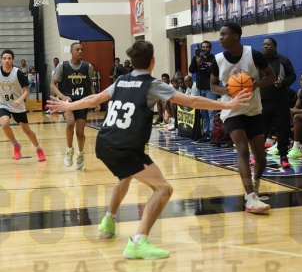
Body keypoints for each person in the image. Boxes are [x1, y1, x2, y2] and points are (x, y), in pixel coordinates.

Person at [46, 40, 251, 259]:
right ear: (153, 61)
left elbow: (94, 99)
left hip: (104, 143)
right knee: (164, 190)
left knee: (125, 177)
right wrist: (226, 104)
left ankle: (108, 220)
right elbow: (191, 101)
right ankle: (138, 242)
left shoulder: (121, 80)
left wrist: (68, 105)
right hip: (125, 147)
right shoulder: (152, 85)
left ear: (132, 62)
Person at [210, 23, 276, 213]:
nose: (220, 37)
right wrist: (226, 90)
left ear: (236, 36)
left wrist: (255, 84)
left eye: (224, 34)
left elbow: (271, 77)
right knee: (242, 150)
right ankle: (251, 197)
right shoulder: (218, 59)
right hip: (231, 111)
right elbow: (213, 85)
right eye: (220, 34)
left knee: (261, 158)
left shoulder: (253, 54)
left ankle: (255, 184)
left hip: (253, 110)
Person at [50, 42, 98, 170]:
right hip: (68, 102)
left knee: (80, 132)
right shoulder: (63, 66)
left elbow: (91, 85)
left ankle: (81, 153)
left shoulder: (88, 67)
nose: (80, 51)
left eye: (81, 49)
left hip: (82, 101)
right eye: (77, 49)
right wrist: (62, 97)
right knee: (70, 123)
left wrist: (95, 100)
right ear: (71, 51)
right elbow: (52, 84)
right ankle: (69, 149)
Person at [0, 49, 46, 161]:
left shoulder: (18, 73)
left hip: (17, 105)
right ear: (1, 60)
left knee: (26, 130)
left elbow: (26, 91)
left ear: (13, 60)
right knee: (4, 124)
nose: (7, 60)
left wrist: (19, 100)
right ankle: (15, 145)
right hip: (3, 104)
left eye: (9, 58)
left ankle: (39, 149)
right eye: (4, 58)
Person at [260, 38, 296, 168]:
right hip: (263, 101)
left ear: (275, 46)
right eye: (264, 44)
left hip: (281, 102)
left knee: (282, 130)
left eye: (268, 44)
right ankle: (259, 156)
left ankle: (283, 157)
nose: (265, 46)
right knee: (261, 130)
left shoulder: (283, 60)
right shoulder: (259, 61)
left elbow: (292, 76)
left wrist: (283, 83)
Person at [189, 41, 218, 143]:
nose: (205, 49)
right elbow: (191, 70)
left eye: (207, 47)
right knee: (204, 113)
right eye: (203, 47)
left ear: (210, 48)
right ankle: (206, 133)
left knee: (211, 112)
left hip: (210, 89)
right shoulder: (198, 58)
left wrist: (203, 64)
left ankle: (213, 134)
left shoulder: (214, 59)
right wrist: (194, 57)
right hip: (201, 89)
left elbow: (213, 73)